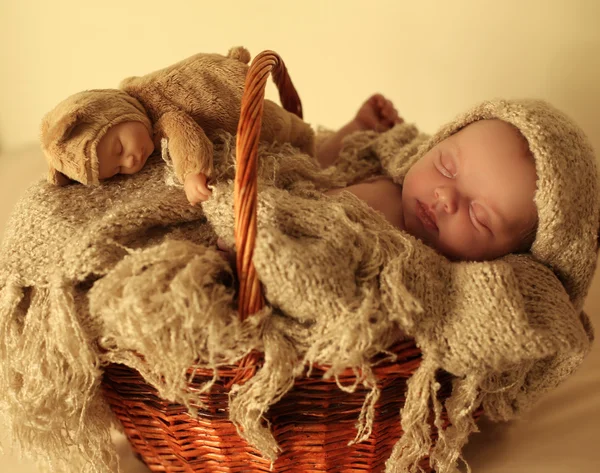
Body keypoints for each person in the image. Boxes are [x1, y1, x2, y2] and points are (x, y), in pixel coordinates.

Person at [316, 94, 538, 262]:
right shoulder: (383, 172)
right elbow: (314, 167)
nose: (445, 197)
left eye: (478, 216)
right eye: (445, 168)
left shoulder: (435, 273)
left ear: (508, 254)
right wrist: (358, 129)